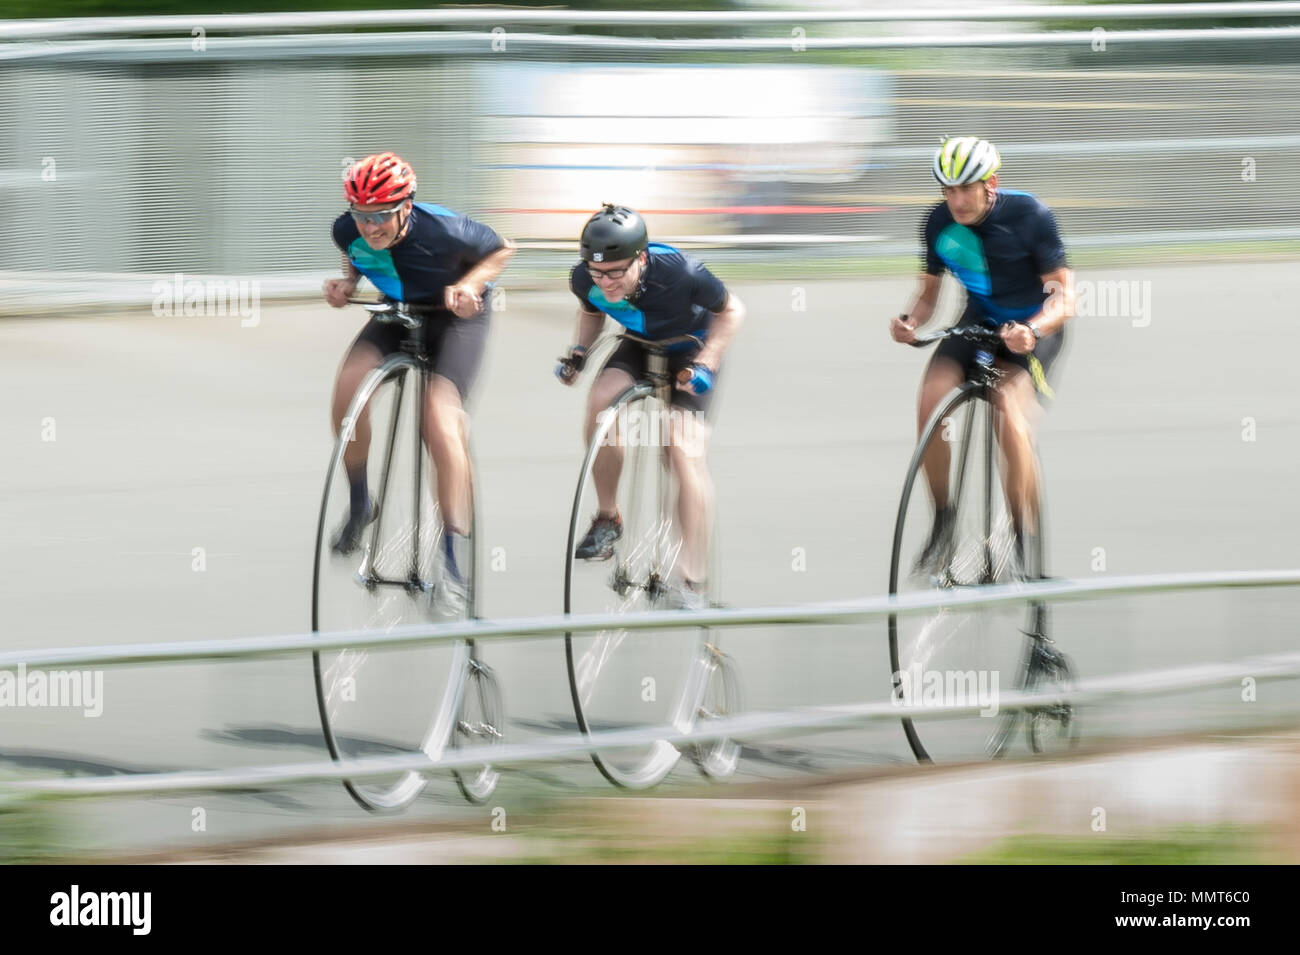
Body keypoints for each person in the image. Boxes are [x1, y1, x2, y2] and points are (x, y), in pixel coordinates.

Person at [323, 152, 515, 601]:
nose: (370, 227)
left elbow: (503, 248)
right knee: (347, 391)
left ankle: (452, 552)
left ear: (406, 207)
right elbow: (354, 253)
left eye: (381, 216)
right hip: (401, 311)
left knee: (440, 421)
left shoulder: (447, 231)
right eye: (362, 215)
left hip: (455, 317)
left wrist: (471, 285)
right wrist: (348, 282)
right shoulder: (345, 230)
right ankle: (359, 504)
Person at [890, 136, 1075, 576]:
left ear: (990, 183)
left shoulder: (1030, 215)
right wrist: (909, 321)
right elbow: (927, 296)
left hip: (1032, 329)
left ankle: (1019, 538)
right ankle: (943, 520)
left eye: (964, 189)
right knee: (929, 401)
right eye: (947, 190)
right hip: (978, 324)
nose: (955, 199)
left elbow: (1065, 298)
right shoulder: (937, 223)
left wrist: (1032, 330)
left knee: (1009, 415)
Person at [556, 204, 745, 609]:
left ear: (641, 258)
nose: (605, 282)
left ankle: (692, 578)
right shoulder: (583, 278)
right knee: (600, 403)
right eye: (596, 271)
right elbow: (591, 312)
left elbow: (732, 311)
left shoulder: (683, 272)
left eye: (616, 272)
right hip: (639, 344)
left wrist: (707, 363)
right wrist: (578, 352)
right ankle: (608, 517)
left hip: (691, 348)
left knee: (681, 449)